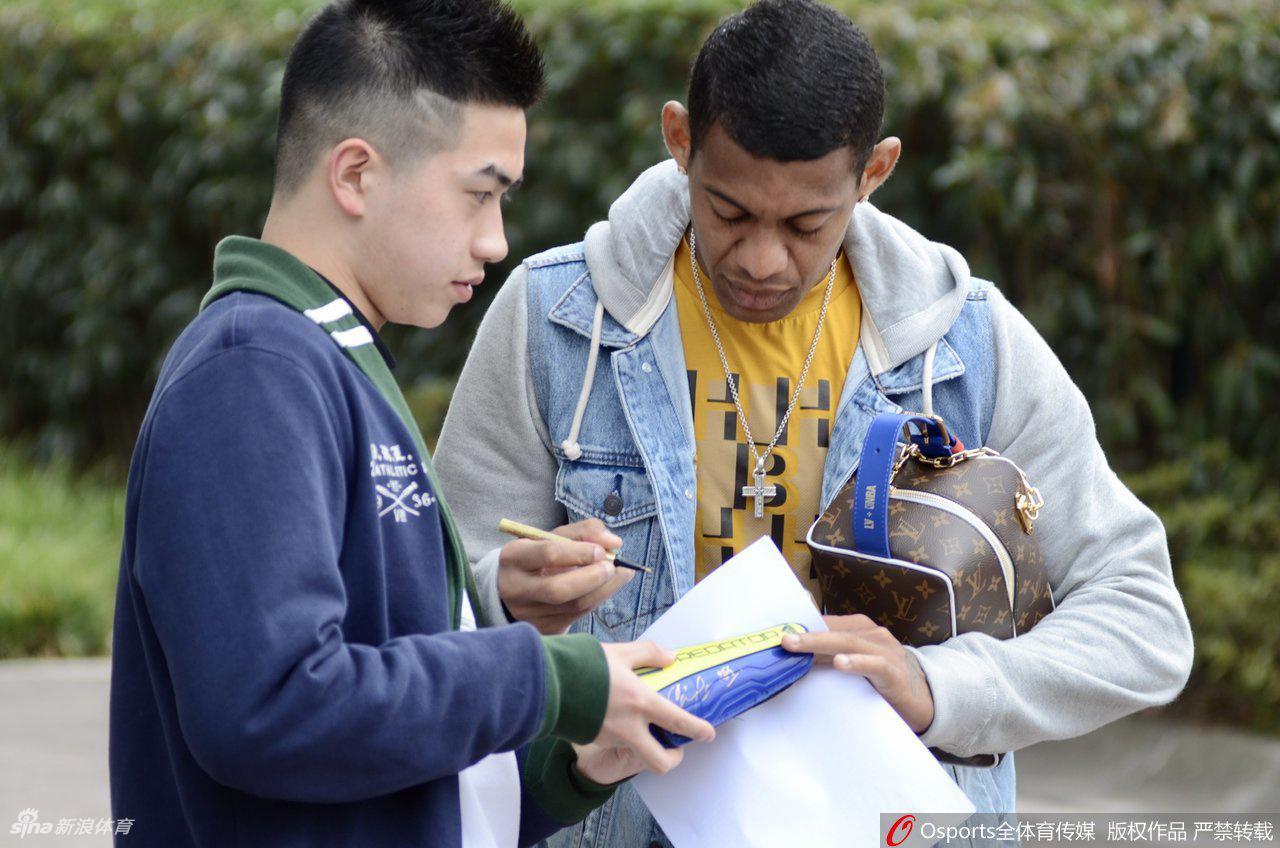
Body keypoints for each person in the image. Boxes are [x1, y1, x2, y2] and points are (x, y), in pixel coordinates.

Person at [434, 0, 1195, 845]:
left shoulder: (966, 346)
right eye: (728, 212)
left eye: (806, 225)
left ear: (875, 172)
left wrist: (938, 688)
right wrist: (502, 589)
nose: (762, 259)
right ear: (679, 140)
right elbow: (421, 601)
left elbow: (1143, 620)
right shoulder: (556, 320)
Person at [107, 1, 715, 846]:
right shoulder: (252, 371)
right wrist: (549, 679)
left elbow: (402, 773)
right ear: (355, 173)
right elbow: (271, 707)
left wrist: (569, 760)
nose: (497, 240)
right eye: (480, 195)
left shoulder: (326, 358)